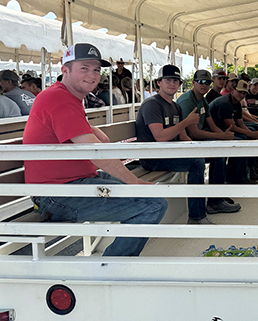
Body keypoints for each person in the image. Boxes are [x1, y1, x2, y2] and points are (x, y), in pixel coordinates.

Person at [23, 43, 168, 257]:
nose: (93, 75)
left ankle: (115, 260)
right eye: (84, 68)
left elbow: (99, 141)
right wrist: (133, 181)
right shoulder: (59, 99)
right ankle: (111, 268)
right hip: (57, 195)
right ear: (65, 70)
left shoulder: (66, 97)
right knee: (153, 205)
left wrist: (91, 128)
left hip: (71, 184)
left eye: (97, 69)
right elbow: (96, 152)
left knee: (147, 196)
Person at [135, 64, 213, 224]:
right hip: (152, 158)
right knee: (197, 163)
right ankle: (196, 217)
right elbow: (161, 137)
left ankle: (215, 202)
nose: (172, 84)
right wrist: (186, 122)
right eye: (168, 80)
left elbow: (183, 137)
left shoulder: (175, 106)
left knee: (210, 155)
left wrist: (199, 148)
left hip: (170, 153)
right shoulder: (152, 104)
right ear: (159, 82)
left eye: (176, 81)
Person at [176, 69, 241, 214]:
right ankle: (215, 201)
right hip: (185, 143)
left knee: (223, 148)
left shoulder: (202, 99)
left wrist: (224, 136)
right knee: (218, 154)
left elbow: (212, 125)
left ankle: (218, 196)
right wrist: (222, 137)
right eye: (201, 82)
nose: (204, 85)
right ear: (193, 83)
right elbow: (193, 133)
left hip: (195, 141)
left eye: (207, 83)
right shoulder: (188, 101)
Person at [209, 80, 258, 184]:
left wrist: (253, 135)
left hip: (224, 130)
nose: (242, 95)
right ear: (232, 90)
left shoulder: (236, 102)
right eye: (240, 91)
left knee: (247, 137)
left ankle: (247, 172)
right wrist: (251, 134)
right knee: (241, 141)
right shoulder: (225, 103)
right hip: (213, 131)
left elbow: (240, 124)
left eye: (244, 93)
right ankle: (236, 178)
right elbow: (231, 126)